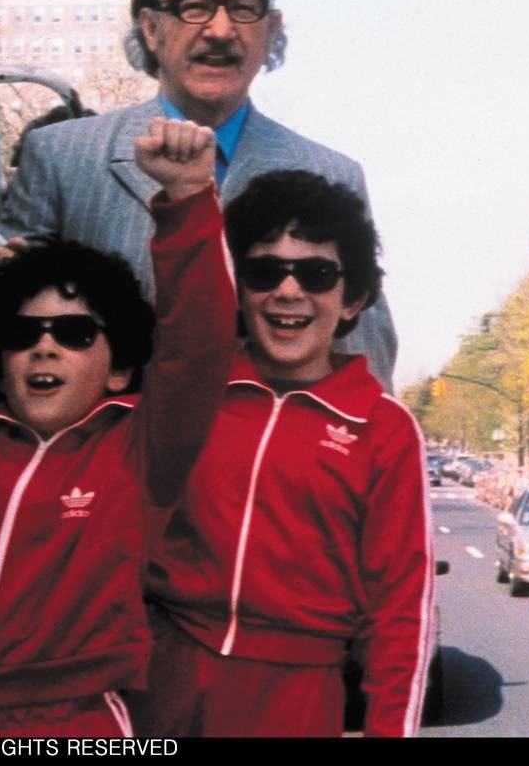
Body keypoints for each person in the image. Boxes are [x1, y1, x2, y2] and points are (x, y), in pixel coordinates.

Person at [0, 119, 235, 736]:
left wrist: (188, 197)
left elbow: (198, 344)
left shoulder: (141, 448)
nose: (45, 347)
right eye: (24, 333)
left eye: (76, 334)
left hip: (72, 721)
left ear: (120, 369)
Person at [0, 0, 397, 390]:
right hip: (112, 430)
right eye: (194, 8)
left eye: (245, 8)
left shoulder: (330, 175)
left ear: (271, 30)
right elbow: (4, 320)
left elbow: (363, 355)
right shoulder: (61, 156)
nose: (221, 30)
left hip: (272, 433)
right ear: (151, 28)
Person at [128, 170, 435, 738]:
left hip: (294, 695)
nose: (288, 292)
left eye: (316, 274)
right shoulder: (193, 389)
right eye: (265, 272)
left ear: (352, 299)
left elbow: (400, 613)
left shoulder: (383, 429)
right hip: (161, 677)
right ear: (239, 288)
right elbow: (182, 296)